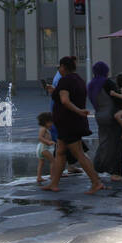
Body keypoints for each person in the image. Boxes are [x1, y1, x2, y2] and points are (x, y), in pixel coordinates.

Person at [43, 56, 103, 194]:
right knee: (60, 152)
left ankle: (96, 182)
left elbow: (65, 101)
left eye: (60, 66)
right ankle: (54, 183)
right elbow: (66, 97)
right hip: (71, 122)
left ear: (63, 67)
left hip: (68, 123)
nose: (59, 69)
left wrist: (79, 111)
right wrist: (54, 92)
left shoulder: (65, 81)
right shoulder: (79, 80)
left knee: (79, 154)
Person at [35, 112, 56, 184]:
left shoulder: (45, 128)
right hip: (43, 148)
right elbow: (40, 137)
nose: (52, 124)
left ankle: (39, 177)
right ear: (45, 122)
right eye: (50, 122)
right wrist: (48, 142)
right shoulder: (43, 129)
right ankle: (52, 176)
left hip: (41, 148)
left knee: (41, 162)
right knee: (53, 161)